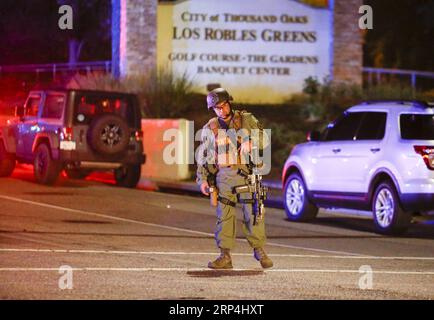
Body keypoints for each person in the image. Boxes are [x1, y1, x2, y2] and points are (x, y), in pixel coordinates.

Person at [196, 87, 273, 269]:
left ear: (229, 103)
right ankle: (225, 255)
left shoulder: (246, 119)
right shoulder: (210, 127)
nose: (221, 110)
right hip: (223, 178)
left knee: (253, 214)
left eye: (223, 106)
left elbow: (265, 139)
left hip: (246, 175)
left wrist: (251, 141)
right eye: (216, 108)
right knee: (224, 217)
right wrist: (203, 179)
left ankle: (259, 250)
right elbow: (204, 157)